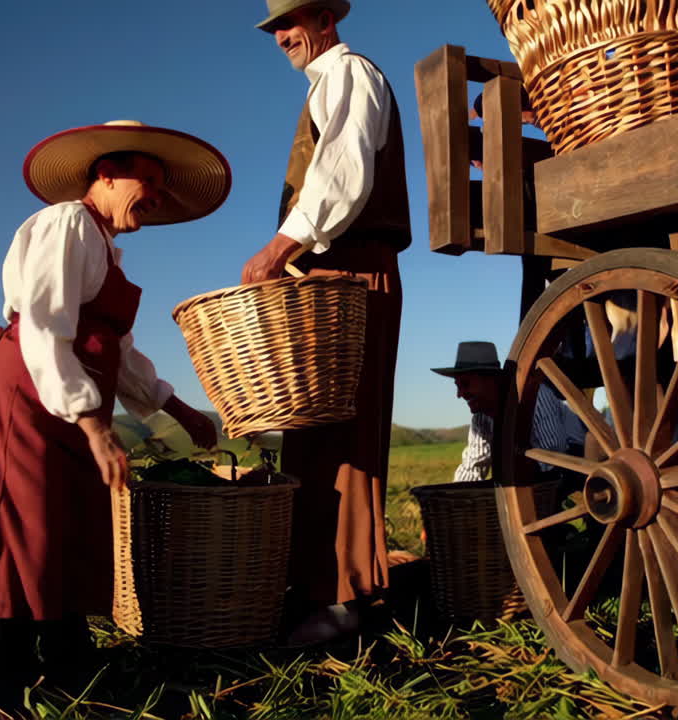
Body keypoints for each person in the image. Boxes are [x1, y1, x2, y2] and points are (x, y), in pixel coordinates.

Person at [0, 120, 230, 710]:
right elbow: (44, 325)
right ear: (106, 174)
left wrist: (180, 410)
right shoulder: (66, 223)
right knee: (19, 519)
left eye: (162, 188)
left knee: (68, 520)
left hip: (72, 396)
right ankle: (4, 673)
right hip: (28, 391)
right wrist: (94, 425)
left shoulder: (105, 248)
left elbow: (120, 353)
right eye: (149, 181)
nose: (157, 197)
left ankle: (67, 658)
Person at [242, 0, 411, 646]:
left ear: (325, 21)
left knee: (345, 433)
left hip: (352, 272)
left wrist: (278, 248)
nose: (281, 36)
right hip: (329, 274)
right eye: (275, 28)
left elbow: (344, 171)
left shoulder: (349, 73)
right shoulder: (324, 84)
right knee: (313, 433)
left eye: (291, 23)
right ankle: (319, 587)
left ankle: (345, 600)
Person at [432, 341, 585, 484]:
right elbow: (473, 466)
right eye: (458, 386)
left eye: (465, 384)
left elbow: (553, 457)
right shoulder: (480, 420)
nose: (459, 394)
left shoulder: (535, 397)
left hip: (576, 464)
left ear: (491, 380)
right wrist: (456, 495)